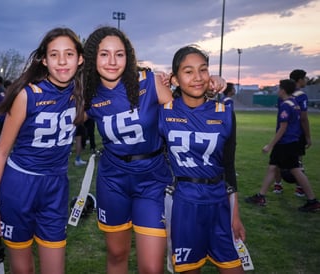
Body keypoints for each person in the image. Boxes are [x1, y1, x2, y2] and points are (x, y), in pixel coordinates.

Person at [83, 26, 226, 274]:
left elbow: (184, 112)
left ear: (128, 56)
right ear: (92, 57)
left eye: (119, 54)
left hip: (152, 179)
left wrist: (204, 83)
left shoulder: (147, 82)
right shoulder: (88, 93)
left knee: (151, 267)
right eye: (104, 54)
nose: (112, 61)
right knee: (117, 254)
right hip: (113, 180)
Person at [0, 27, 84, 274]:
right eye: (54, 54)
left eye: (69, 54)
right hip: (20, 186)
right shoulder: (28, 95)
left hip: (56, 186)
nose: (62, 61)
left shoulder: (82, 92)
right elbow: (1, 151)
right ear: (44, 60)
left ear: (80, 58)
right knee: (22, 269)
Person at [158, 45, 245, 273]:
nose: (197, 78)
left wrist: (235, 215)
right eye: (188, 71)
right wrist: (158, 81)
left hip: (218, 203)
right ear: (175, 79)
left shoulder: (224, 112)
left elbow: (228, 165)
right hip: (184, 204)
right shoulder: (163, 111)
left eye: (203, 70)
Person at [245, 79, 320, 212]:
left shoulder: (286, 105)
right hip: (291, 142)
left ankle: (312, 200)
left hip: (286, 143)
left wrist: (270, 145)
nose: (278, 91)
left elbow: (283, 128)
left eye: (279, 88)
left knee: (295, 170)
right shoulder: (294, 103)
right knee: (273, 168)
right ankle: (261, 196)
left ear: (283, 90)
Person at [272, 69, 311, 197]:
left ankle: (277, 185)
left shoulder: (283, 95)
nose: (305, 81)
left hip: (281, 134)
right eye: (305, 78)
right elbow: (303, 118)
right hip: (295, 134)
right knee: (297, 162)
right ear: (299, 79)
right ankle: (301, 189)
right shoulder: (301, 95)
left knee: (275, 161)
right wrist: (307, 136)